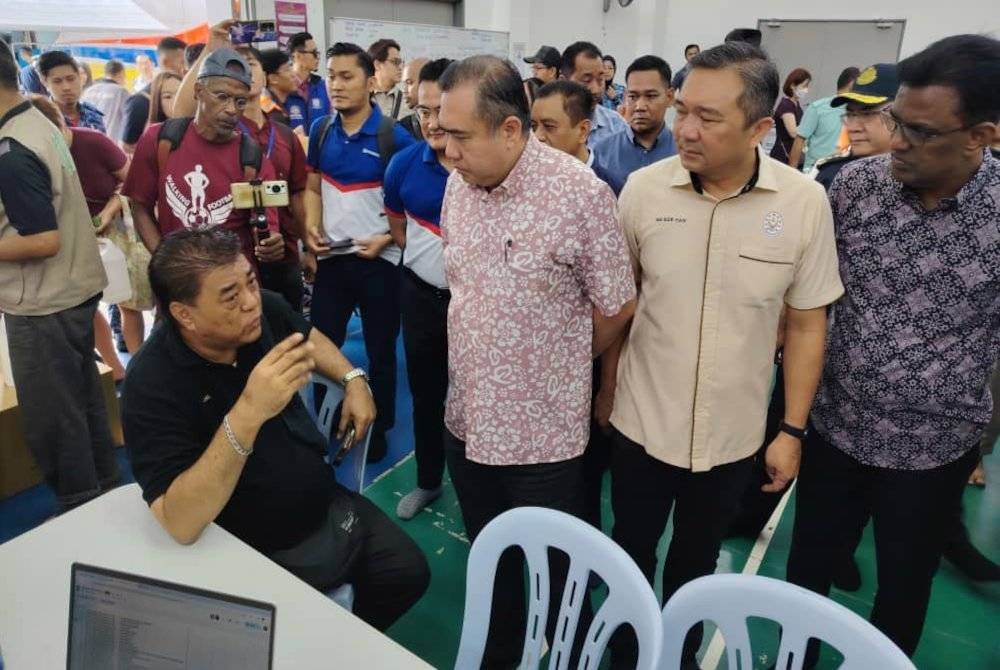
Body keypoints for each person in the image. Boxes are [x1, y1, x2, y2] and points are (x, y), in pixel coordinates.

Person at [601, 42, 844, 667]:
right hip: (640, 423)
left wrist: (790, 431)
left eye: (708, 118)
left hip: (731, 435)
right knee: (628, 551)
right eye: (683, 109)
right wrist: (605, 391)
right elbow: (620, 307)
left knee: (696, 565)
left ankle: (678, 658)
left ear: (761, 128)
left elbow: (808, 323)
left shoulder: (801, 204)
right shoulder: (643, 192)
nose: (685, 128)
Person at [786, 34, 1000, 659]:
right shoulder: (855, 189)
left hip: (934, 450)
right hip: (837, 430)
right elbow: (811, 301)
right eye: (895, 122)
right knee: (807, 575)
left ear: (981, 137)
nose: (897, 141)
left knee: (903, 589)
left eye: (921, 131)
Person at [121, 227, 429, 630]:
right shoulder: (151, 384)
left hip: (325, 502)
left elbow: (308, 337)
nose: (251, 303)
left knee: (409, 574)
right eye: (230, 297)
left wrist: (353, 378)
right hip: (248, 544)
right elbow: (179, 521)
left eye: (251, 281)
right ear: (184, 314)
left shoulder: (261, 313)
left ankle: (342, 638)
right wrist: (249, 410)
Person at [437, 55, 636, 666]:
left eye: (460, 136)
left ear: (510, 130)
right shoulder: (458, 186)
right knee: (492, 565)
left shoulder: (581, 195)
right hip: (467, 422)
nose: (447, 151)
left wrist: (556, 362)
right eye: (442, 133)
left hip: (542, 437)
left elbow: (617, 305)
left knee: (558, 576)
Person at [0, 46, 117, 512]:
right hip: (71, 289)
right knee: (83, 402)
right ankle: (102, 491)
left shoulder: (12, 149)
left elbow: (42, 239)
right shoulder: (39, 123)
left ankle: (81, 508)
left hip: (43, 300)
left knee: (54, 418)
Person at [303, 42, 416, 463]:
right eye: (331, 75)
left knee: (381, 349)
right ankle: (325, 422)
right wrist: (311, 229)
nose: (336, 84)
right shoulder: (320, 131)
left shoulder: (395, 137)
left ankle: (380, 426)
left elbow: (410, 205)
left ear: (370, 82)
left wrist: (386, 238)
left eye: (346, 76)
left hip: (378, 264)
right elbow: (313, 187)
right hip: (333, 260)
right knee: (322, 347)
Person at [175, 30, 311, 312]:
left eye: (252, 65)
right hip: (234, 260)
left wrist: (307, 246)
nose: (245, 71)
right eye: (238, 64)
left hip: (282, 252)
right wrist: (212, 42)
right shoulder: (217, 131)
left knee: (288, 327)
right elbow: (180, 111)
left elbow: (298, 192)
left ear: (263, 76)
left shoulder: (284, 131)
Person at [122, 48, 283, 272]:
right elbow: (139, 206)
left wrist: (270, 243)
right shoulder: (160, 140)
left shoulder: (253, 158)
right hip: (178, 284)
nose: (231, 110)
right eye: (222, 97)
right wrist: (165, 263)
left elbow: (266, 225)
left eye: (240, 101)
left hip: (232, 284)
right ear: (198, 91)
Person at [27, 95, 149, 379]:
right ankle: (115, 372)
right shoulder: (32, 157)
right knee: (87, 306)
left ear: (61, 123)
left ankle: (140, 371)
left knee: (127, 303)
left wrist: (108, 211)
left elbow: (132, 181)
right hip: (68, 240)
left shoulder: (93, 142)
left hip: (113, 235)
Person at [383, 58, 455, 520]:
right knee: (427, 396)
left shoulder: (486, 168)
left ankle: (482, 493)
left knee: (478, 402)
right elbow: (398, 227)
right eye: (423, 111)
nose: (430, 122)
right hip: (421, 298)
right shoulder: (404, 165)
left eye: (440, 112)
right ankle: (429, 481)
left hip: (477, 308)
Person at [592, 55, 678, 195]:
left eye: (650, 96)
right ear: (625, 96)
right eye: (633, 96)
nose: (639, 106)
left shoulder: (684, 152)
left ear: (669, 97)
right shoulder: (602, 153)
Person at [815, 63, 899, 190]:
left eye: (867, 114)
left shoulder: (925, 182)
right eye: (850, 114)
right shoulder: (833, 178)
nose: (852, 127)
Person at [120, 38, 187, 154]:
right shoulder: (139, 101)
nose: (186, 68)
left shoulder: (189, 95)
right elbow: (127, 146)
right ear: (165, 61)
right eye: (183, 62)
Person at [788, 66, 859, 172]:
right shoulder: (818, 108)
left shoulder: (860, 112)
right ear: (851, 86)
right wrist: (791, 173)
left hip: (843, 172)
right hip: (815, 171)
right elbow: (799, 140)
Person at [561, 41, 628, 148]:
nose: (596, 90)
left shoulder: (617, 126)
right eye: (586, 80)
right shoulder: (548, 126)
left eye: (600, 79)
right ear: (563, 82)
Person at [37, 51, 105, 132]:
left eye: (71, 79)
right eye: (57, 81)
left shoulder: (94, 116)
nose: (66, 87)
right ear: (45, 83)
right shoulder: (41, 119)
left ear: (80, 77)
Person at [530, 79, 594, 164]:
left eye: (548, 126)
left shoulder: (601, 177)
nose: (537, 136)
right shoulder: (529, 173)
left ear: (583, 131)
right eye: (533, 126)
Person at [285, 31, 331, 132]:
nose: (318, 58)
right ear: (297, 55)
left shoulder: (323, 86)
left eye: (318, 53)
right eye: (314, 53)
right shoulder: (283, 87)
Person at [81, 59, 130, 142]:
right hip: (111, 143)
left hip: (89, 141)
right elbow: (129, 119)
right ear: (121, 74)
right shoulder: (121, 92)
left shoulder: (88, 91)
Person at [770, 67, 811, 165]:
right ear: (793, 85)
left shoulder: (796, 105)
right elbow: (793, 132)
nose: (806, 90)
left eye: (808, 86)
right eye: (804, 86)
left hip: (793, 154)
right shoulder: (786, 105)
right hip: (783, 156)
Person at [368, 39, 408, 121]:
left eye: (401, 62)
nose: (400, 67)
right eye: (395, 62)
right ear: (377, 65)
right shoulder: (360, 99)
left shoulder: (407, 101)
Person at [257, 48, 297, 128]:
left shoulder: (284, 103)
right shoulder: (270, 111)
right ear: (273, 79)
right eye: (287, 70)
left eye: (291, 68)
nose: (293, 74)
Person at [397, 56, 429, 140]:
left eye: (409, 83)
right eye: (404, 84)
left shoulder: (450, 123)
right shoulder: (402, 128)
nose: (404, 90)